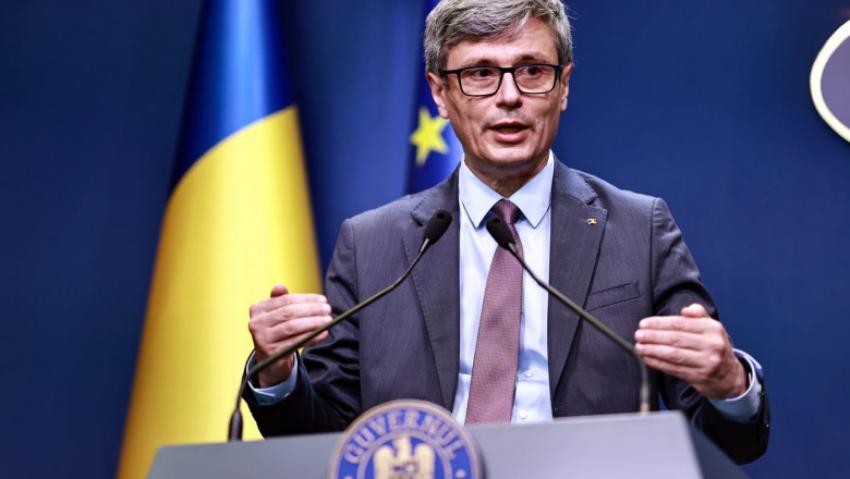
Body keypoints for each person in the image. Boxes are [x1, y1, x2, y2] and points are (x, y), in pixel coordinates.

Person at [243, 0, 769, 464]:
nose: (510, 96)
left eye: (532, 71)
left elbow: (726, 442)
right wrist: (277, 375)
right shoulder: (372, 245)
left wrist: (729, 385)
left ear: (563, 86)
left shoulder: (638, 229)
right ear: (440, 93)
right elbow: (327, 442)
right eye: (480, 73)